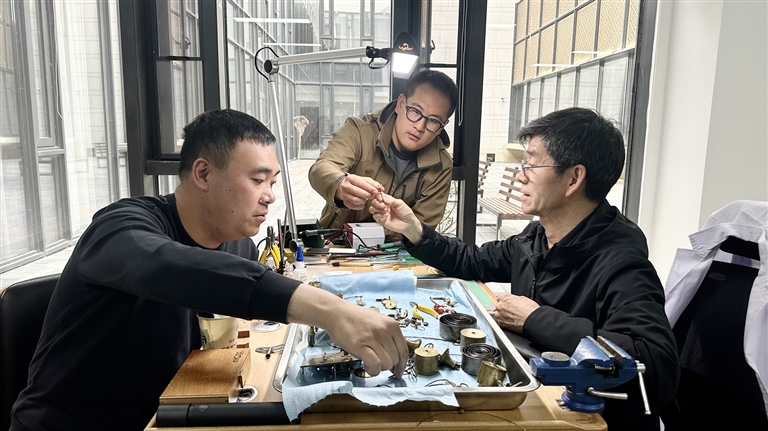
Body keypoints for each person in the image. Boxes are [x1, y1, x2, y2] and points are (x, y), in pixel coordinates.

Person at [10, 110, 408, 431]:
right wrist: (329, 310)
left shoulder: (239, 245)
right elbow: (170, 267)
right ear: (203, 173)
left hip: (170, 412)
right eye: (258, 180)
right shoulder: (119, 228)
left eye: (273, 182)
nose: (269, 196)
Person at [370, 107, 679, 430]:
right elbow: (471, 260)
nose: (521, 176)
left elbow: (656, 365)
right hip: (537, 399)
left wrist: (534, 319)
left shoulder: (621, 262)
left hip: (587, 422)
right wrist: (414, 230)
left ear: (574, 178)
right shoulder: (537, 238)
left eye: (531, 165)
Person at [308, 69, 458, 240]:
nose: (420, 127)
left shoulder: (442, 165)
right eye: (415, 111)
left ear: (442, 127)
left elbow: (421, 229)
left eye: (433, 121)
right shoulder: (359, 131)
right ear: (400, 104)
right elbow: (321, 168)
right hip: (336, 244)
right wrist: (340, 184)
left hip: (396, 251)